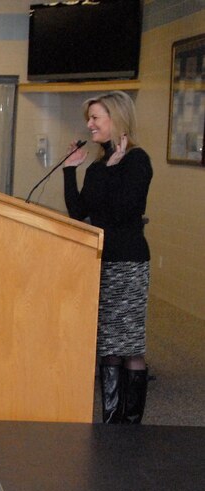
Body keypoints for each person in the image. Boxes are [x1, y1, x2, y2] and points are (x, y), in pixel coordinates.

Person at [63, 90, 154, 424]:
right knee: (108, 343)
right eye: (90, 118)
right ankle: (111, 421)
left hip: (128, 263)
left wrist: (114, 170)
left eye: (95, 118)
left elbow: (124, 211)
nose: (89, 125)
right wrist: (70, 170)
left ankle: (130, 424)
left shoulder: (137, 160)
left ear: (115, 120)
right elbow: (80, 212)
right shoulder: (101, 164)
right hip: (101, 260)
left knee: (127, 342)